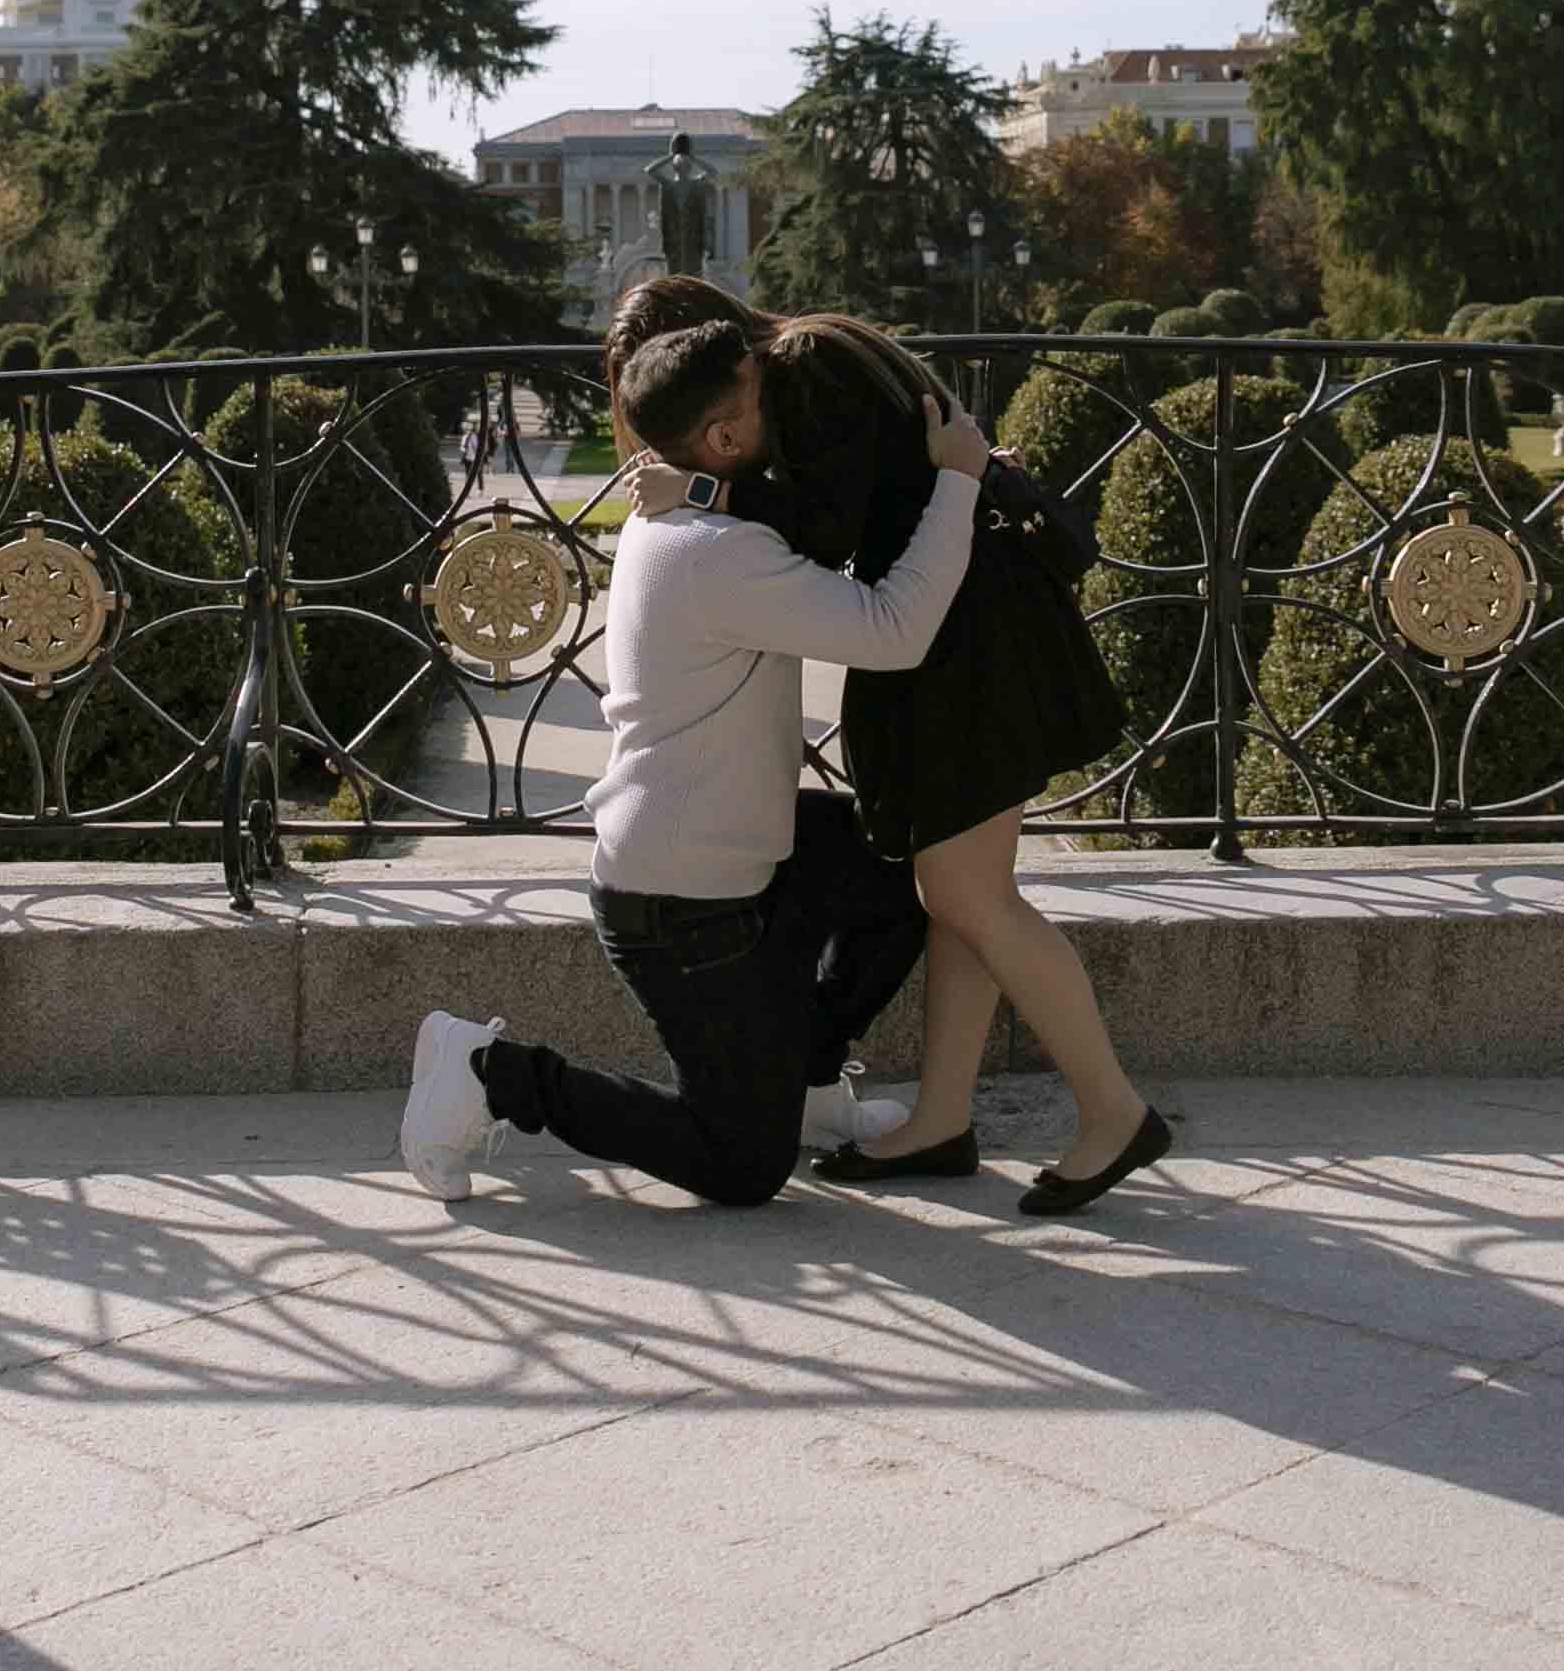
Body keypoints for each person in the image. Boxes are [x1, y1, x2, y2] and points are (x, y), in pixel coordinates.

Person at [608, 278, 1165, 1217]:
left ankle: (1114, 1109)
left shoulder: (801, 364)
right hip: (954, 625)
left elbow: (826, 531)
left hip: (966, 637)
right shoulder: (803, 358)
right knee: (959, 897)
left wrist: (706, 488)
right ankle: (940, 1120)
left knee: (965, 894)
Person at [396, 327, 988, 1208]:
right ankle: (491, 1073)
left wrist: (715, 481)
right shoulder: (718, 551)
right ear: (718, 437)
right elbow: (890, 630)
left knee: (901, 873)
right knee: (741, 1166)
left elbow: (770, 509)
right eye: (763, 401)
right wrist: (959, 483)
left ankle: (809, 1086)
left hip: (733, 847)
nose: (782, 414)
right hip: (681, 905)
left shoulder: (679, 513)